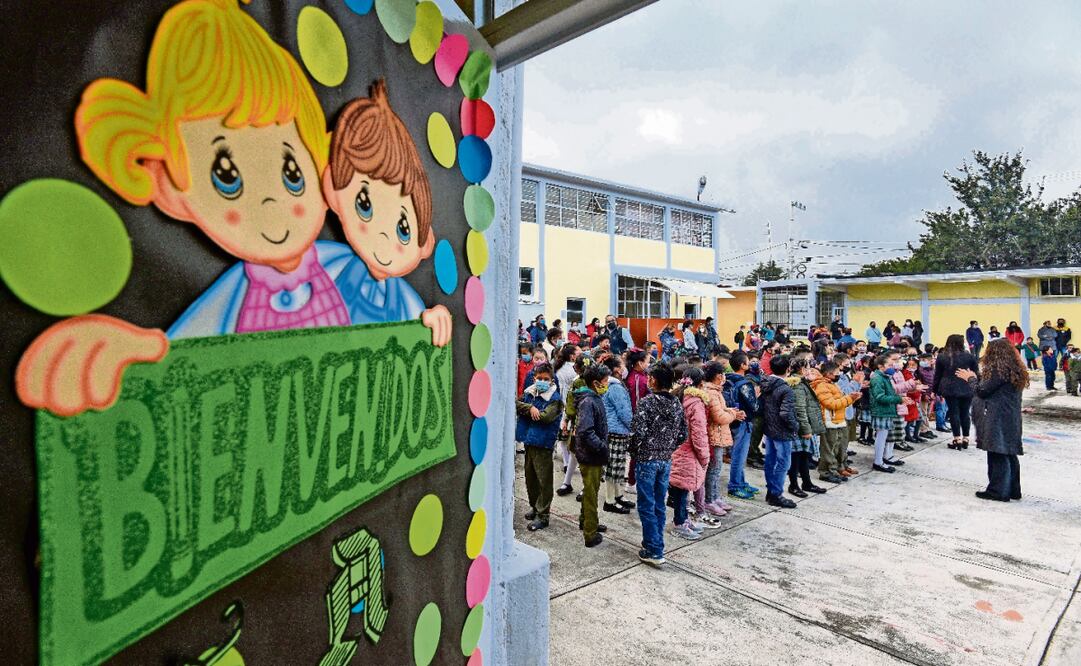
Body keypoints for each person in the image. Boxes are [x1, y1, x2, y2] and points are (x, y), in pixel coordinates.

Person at [629, 363, 688, 567]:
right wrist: (667, 448)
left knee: (647, 505)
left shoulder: (647, 403)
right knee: (659, 504)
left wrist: (636, 451)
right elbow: (683, 434)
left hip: (647, 460)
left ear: (655, 380)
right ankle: (655, 543)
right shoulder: (676, 403)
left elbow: (637, 433)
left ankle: (654, 549)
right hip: (665, 460)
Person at [954, 339, 1026, 502]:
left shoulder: (998, 369)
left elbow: (982, 391)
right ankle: (1013, 489)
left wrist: (970, 378)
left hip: (997, 415)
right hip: (1010, 415)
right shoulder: (1014, 368)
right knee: (1009, 452)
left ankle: (998, 491)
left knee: (997, 451)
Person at [515, 363, 564, 531]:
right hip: (529, 441)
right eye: (539, 378)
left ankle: (543, 515)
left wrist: (529, 411)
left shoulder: (555, 399)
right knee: (530, 478)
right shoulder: (530, 393)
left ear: (551, 381)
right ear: (534, 378)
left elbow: (545, 417)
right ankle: (535, 507)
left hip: (543, 444)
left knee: (544, 481)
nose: (542, 381)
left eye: (546, 379)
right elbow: (517, 404)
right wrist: (530, 408)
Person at [669, 368, 712, 539]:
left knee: (681, 490)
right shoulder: (696, 403)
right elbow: (699, 434)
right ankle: (680, 523)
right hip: (689, 452)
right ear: (701, 384)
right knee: (682, 491)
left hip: (676, 449)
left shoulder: (678, 397)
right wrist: (704, 456)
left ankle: (683, 519)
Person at [572, 363, 612, 548]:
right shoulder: (589, 401)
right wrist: (602, 447)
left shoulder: (594, 398)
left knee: (591, 489)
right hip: (591, 454)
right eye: (605, 382)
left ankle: (587, 520)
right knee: (590, 493)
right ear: (595, 383)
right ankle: (590, 533)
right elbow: (585, 431)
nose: (607, 385)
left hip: (592, 453)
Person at [700, 362, 740, 517]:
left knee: (716, 470)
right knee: (713, 470)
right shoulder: (711, 392)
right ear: (718, 376)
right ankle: (709, 500)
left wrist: (730, 411)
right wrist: (734, 415)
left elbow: (721, 410)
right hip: (714, 435)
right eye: (723, 374)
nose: (724, 377)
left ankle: (714, 496)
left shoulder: (715, 391)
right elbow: (719, 416)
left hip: (718, 434)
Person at [758, 354, 799, 508]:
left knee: (770, 461)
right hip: (781, 430)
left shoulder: (766, 383)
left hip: (769, 428)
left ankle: (772, 490)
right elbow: (785, 413)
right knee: (783, 463)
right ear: (788, 369)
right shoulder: (785, 389)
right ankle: (776, 493)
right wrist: (795, 426)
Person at [814, 360, 861, 484]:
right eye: (836, 372)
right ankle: (826, 472)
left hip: (838, 420)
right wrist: (849, 398)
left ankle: (836, 468)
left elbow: (841, 401)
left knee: (837, 447)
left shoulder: (832, 384)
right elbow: (832, 404)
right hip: (830, 421)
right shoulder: (822, 386)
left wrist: (852, 398)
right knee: (828, 449)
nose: (839, 374)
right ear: (828, 374)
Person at [600, 357, 635, 515]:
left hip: (614, 430)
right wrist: (633, 427)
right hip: (616, 430)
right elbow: (624, 411)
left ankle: (618, 495)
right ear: (616, 369)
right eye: (622, 365)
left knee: (617, 466)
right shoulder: (615, 387)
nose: (625, 368)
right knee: (613, 467)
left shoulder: (612, 384)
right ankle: (610, 500)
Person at [932, 334, 979, 449]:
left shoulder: (942, 356)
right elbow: (976, 372)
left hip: (949, 387)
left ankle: (956, 438)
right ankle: (966, 438)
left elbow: (937, 375)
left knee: (954, 413)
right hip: (967, 386)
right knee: (965, 413)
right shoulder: (969, 356)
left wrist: (935, 390)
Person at [789, 358, 828, 496]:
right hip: (800, 428)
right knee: (796, 457)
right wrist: (806, 430)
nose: (810, 371)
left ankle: (807, 483)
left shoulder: (802, 382)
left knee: (804, 456)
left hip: (804, 427)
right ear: (801, 369)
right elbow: (800, 409)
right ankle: (794, 485)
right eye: (808, 368)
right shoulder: (797, 384)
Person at [724, 352, 760, 500]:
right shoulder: (745, 384)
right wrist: (757, 396)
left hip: (730, 420)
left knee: (737, 453)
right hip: (743, 423)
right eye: (748, 362)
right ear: (742, 365)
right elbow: (755, 407)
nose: (750, 365)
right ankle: (735, 486)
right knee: (739, 455)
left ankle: (741, 482)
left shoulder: (726, 380)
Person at [869, 353, 907, 473]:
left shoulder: (884, 377)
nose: (892, 367)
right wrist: (898, 399)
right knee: (881, 437)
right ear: (881, 366)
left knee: (884, 437)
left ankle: (883, 459)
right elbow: (880, 397)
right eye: (889, 365)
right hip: (881, 411)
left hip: (886, 410)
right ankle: (878, 462)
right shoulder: (877, 378)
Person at [554, 351, 584, 496]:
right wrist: (565, 419)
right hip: (576, 423)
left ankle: (585, 487)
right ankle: (567, 483)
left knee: (585, 456)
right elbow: (570, 403)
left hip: (586, 425)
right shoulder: (576, 382)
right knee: (573, 453)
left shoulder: (595, 383)